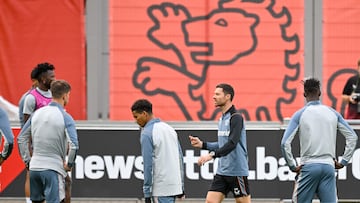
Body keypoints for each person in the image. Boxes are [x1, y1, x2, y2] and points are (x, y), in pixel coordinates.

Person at [281, 77, 358, 203]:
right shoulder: (333, 113)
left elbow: (285, 143)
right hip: (328, 167)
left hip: (309, 167)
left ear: (304, 94)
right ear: (320, 93)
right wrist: (344, 161)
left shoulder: (300, 114)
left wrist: (292, 166)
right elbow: (352, 136)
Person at [18, 79, 79, 203]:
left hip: (35, 168)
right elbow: (74, 145)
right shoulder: (65, 117)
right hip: (53, 169)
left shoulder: (36, 114)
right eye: (69, 95)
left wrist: (28, 162)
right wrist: (69, 165)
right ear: (65, 95)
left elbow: (21, 138)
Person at [189, 83, 251, 203]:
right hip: (222, 172)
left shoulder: (236, 117)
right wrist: (203, 145)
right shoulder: (222, 118)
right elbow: (223, 144)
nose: (213, 97)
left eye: (217, 94)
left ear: (227, 97)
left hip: (236, 172)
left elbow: (232, 143)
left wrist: (211, 155)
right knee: (210, 201)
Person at [131, 99, 185, 203]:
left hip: (160, 189)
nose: (135, 121)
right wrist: (181, 186)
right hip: (175, 187)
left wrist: (147, 193)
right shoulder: (170, 129)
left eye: (136, 117)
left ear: (144, 114)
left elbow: (148, 165)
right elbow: (180, 159)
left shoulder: (147, 133)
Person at [21, 62, 55, 203]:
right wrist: (29, 152)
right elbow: (26, 128)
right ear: (43, 79)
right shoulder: (31, 98)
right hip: (37, 145)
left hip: (52, 143)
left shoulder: (55, 94)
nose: (54, 78)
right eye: (52, 76)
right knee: (31, 174)